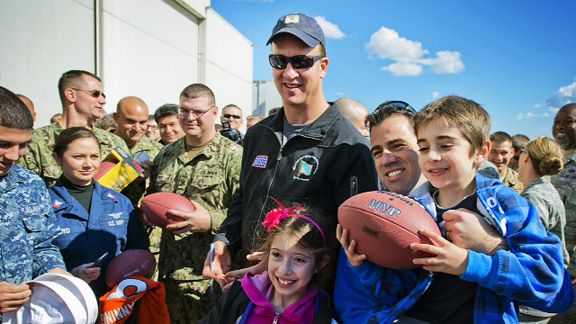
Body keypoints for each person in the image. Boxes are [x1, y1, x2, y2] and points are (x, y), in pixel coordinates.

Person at [337, 95, 572, 323]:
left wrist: (472, 260)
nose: (432, 156)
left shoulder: (505, 205)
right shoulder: (414, 211)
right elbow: (399, 291)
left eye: (445, 145)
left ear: (481, 151)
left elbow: (551, 283)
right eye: (424, 147)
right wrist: (363, 266)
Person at [206, 13, 378, 287]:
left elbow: (353, 242)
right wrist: (225, 240)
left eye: (301, 62)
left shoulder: (349, 147)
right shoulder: (258, 134)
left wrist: (280, 261)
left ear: (323, 67)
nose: (289, 73)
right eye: (279, 61)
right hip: (245, 287)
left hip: (305, 298)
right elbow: (244, 197)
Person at [334, 100, 505, 322]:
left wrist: (492, 245)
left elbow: (555, 291)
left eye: (398, 145)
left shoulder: (491, 207)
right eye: (377, 152)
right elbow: (354, 305)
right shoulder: (367, 215)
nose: (386, 159)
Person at [147, 83, 242, 323]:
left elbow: (248, 211)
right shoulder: (166, 155)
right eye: (184, 110)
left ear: (213, 112)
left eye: (197, 111)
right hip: (169, 274)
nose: (190, 118)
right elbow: (153, 197)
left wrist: (211, 220)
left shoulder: (233, 156)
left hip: (209, 278)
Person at [49, 127, 148, 297]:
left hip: (117, 303)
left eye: (94, 156)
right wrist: (71, 274)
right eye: (78, 157)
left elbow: (138, 250)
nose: (88, 164)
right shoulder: (44, 204)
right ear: (58, 158)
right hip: (67, 301)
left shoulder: (119, 202)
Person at [200, 203, 333, 323]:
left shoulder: (322, 316)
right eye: (277, 255)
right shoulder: (240, 295)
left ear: (320, 264)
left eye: (299, 260)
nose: (284, 270)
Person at [0, 85, 66, 313]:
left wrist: (55, 273)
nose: (13, 156)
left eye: (23, 145)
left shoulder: (30, 183)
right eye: (4, 144)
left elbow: (43, 244)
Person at [18, 70, 129, 188]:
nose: (102, 101)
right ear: (71, 95)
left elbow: (130, 195)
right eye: (95, 94)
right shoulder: (36, 142)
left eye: (103, 95)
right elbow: (24, 192)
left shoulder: (115, 143)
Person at [517, 136, 568, 323]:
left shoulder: (534, 197)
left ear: (526, 157)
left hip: (532, 296)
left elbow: (528, 249)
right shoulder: (546, 190)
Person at [550, 103, 576, 323]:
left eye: (568, 121)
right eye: (556, 121)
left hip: (569, 274)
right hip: (547, 266)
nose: (559, 127)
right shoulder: (551, 163)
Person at [113, 96, 163, 204]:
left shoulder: (159, 151)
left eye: (142, 122)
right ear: (116, 118)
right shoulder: (99, 145)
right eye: (130, 121)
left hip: (140, 216)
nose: (137, 128)